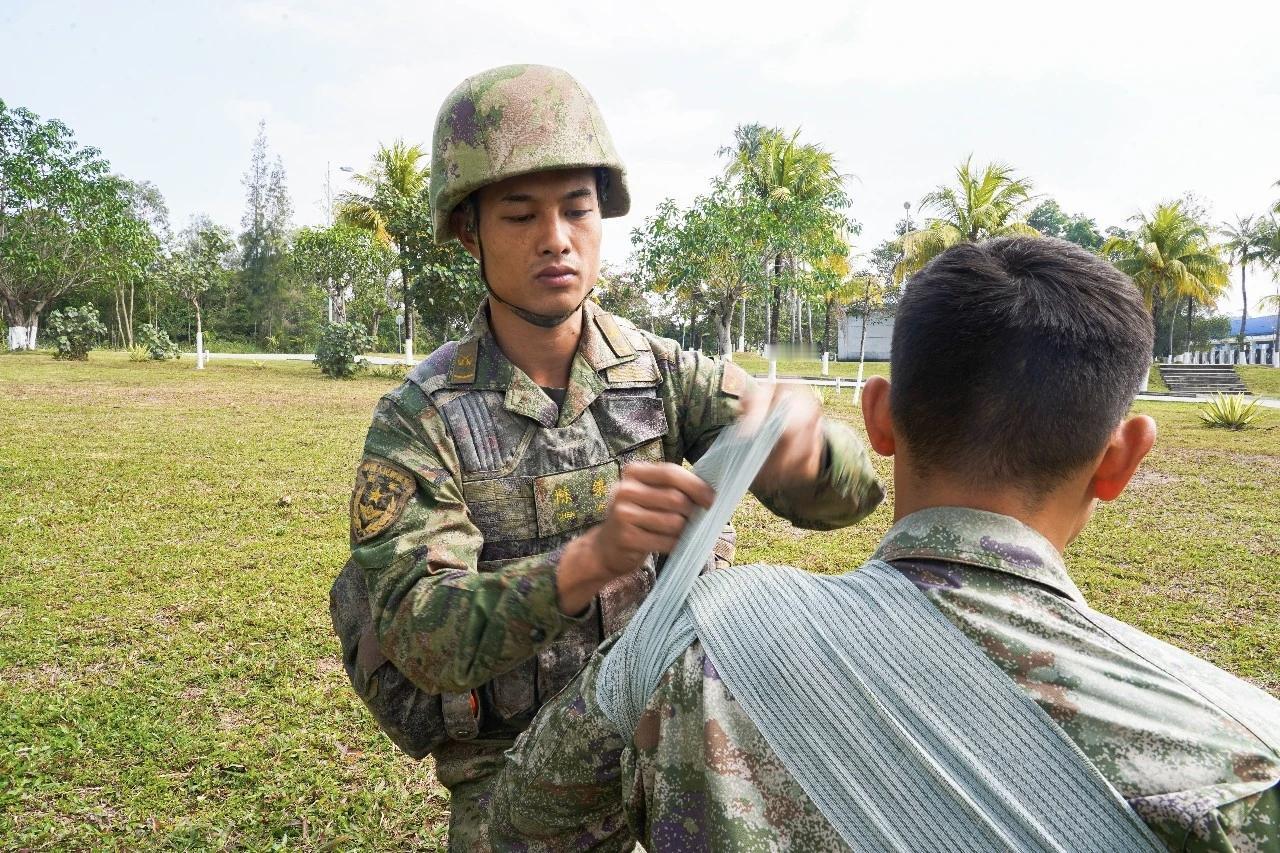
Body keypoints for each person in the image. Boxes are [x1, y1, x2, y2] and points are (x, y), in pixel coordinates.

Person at [489, 236, 1280, 851]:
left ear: (877, 418)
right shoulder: (1244, 767)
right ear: (1123, 459)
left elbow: (525, 824)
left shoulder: (683, 641)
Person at [344, 63, 884, 849]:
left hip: (668, 723)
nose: (555, 239)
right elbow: (424, 636)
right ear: (469, 232)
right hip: (512, 764)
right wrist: (593, 558)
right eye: (521, 214)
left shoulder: (663, 373)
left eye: (578, 209)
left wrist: (805, 448)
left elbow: (850, 493)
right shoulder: (422, 418)